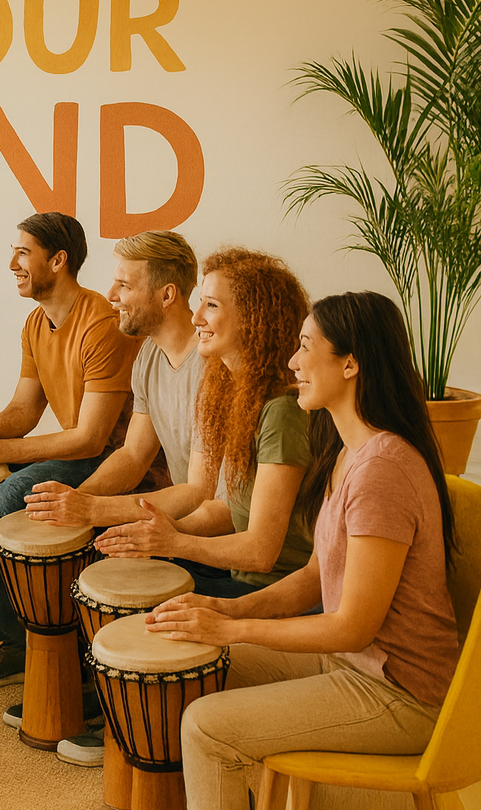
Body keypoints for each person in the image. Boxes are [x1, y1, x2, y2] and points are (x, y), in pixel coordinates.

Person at [153, 291, 459, 810]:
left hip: (400, 693)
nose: (293, 362)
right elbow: (317, 576)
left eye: (305, 346)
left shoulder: (382, 469)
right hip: (350, 664)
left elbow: (352, 626)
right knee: (187, 666)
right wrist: (225, 608)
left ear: (351, 363)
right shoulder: (348, 453)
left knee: (206, 726)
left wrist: (232, 627)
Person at [15, 229, 204, 765]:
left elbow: (202, 494)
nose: (112, 294)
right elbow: (132, 456)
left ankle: (118, 700)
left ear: (167, 295)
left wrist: (93, 511)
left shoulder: (208, 363)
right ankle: (90, 680)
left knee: (104, 547)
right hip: (161, 500)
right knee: (61, 525)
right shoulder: (146, 357)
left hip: (200, 518)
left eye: (124, 284)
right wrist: (75, 501)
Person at [0, 212, 140, 687]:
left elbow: (92, 438)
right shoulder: (35, 322)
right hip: (82, 449)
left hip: (122, 459)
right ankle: (23, 635)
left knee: (12, 492)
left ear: (59, 260)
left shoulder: (101, 324)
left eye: (23, 252)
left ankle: (26, 642)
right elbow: (24, 411)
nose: (12, 263)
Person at [88, 248, 318, 602]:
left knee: (135, 596)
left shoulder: (282, 412)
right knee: (117, 572)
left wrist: (175, 542)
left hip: (276, 592)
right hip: (242, 577)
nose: (195, 318)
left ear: (252, 318)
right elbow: (227, 507)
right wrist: (165, 532)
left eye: (211, 305)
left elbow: (260, 551)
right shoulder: (236, 392)